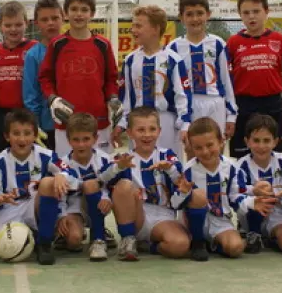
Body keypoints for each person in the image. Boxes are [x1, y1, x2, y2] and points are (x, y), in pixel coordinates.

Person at [0, 109, 78, 266]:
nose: (22, 139)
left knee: (46, 182)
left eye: (27, 133)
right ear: (6, 136)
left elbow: (73, 176)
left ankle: (44, 243)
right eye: (16, 133)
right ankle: (30, 236)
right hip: (11, 209)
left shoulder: (45, 155)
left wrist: (61, 175)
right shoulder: (0, 161)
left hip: (36, 206)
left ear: (35, 135)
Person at [38, 0, 120, 156]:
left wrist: (112, 97)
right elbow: (45, 78)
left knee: (101, 173)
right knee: (67, 174)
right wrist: (53, 98)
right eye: (74, 9)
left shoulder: (102, 45)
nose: (79, 14)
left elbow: (111, 78)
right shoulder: (57, 44)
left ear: (92, 13)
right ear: (66, 13)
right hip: (66, 122)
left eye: (84, 10)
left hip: (99, 121)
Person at [226, 0, 282, 158]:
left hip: (271, 105)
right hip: (242, 105)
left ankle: (272, 184)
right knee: (242, 155)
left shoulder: (279, 41)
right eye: (246, 12)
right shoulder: (233, 43)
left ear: (266, 12)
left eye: (256, 11)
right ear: (240, 14)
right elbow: (225, 80)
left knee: (273, 155)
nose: (251, 17)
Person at [109, 106, 191, 262]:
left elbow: (181, 182)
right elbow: (103, 181)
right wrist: (118, 167)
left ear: (159, 131)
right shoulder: (124, 157)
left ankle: (149, 246)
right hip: (136, 215)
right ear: (130, 132)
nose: (147, 135)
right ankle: (128, 238)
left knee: (180, 245)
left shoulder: (167, 155)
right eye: (140, 130)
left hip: (163, 216)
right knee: (123, 186)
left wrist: (170, 169)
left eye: (152, 129)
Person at [166, 0, 237, 155]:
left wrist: (231, 115)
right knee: (192, 150)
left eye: (199, 13)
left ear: (208, 15)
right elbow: (171, 85)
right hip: (189, 105)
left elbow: (227, 81)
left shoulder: (218, 44)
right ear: (181, 17)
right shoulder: (174, 47)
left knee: (216, 151)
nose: (195, 19)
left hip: (215, 103)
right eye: (189, 14)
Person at [114, 4, 192, 154]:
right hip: (138, 122)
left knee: (168, 165)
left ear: (155, 29)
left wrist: (185, 124)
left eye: (138, 26)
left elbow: (182, 95)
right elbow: (126, 97)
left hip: (165, 120)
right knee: (138, 166)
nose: (133, 30)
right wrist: (122, 123)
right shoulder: (130, 60)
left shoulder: (173, 59)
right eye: (133, 26)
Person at [171, 118, 244, 262]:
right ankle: (198, 242)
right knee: (198, 195)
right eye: (198, 147)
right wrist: (183, 193)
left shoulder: (232, 167)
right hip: (193, 224)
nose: (205, 152)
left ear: (221, 141)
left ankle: (213, 244)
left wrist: (253, 203)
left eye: (210, 145)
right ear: (191, 147)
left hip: (221, 221)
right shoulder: (188, 170)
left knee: (236, 248)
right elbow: (174, 204)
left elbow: (237, 197)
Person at [233, 114, 282, 255]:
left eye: (266, 140)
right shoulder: (241, 165)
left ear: (275, 142)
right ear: (247, 142)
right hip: (252, 213)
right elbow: (235, 193)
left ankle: (269, 238)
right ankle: (252, 231)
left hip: (277, 213)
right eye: (256, 140)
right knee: (256, 200)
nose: (261, 146)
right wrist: (253, 191)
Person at [59, 113, 118, 262]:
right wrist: (62, 216)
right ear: (68, 140)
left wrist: (106, 198)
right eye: (76, 140)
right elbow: (61, 195)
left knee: (91, 185)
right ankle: (71, 231)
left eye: (86, 139)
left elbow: (110, 184)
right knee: (74, 241)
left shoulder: (104, 159)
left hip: (98, 203)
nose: (81, 144)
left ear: (95, 139)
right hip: (74, 208)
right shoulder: (62, 164)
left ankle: (98, 238)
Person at [0, 1, 36, 156]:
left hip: (27, 114)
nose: (13, 29)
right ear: (0, 25)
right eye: (8, 25)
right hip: (0, 115)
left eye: (18, 24)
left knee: (29, 159)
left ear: (26, 23)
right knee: (1, 158)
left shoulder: (34, 49)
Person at [23, 0, 64, 151]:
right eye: (45, 20)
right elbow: (30, 97)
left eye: (55, 18)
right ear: (37, 23)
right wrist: (35, 126)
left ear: (63, 17)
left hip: (75, 126)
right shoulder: (33, 55)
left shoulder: (72, 49)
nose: (51, 23)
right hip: (47, 128)